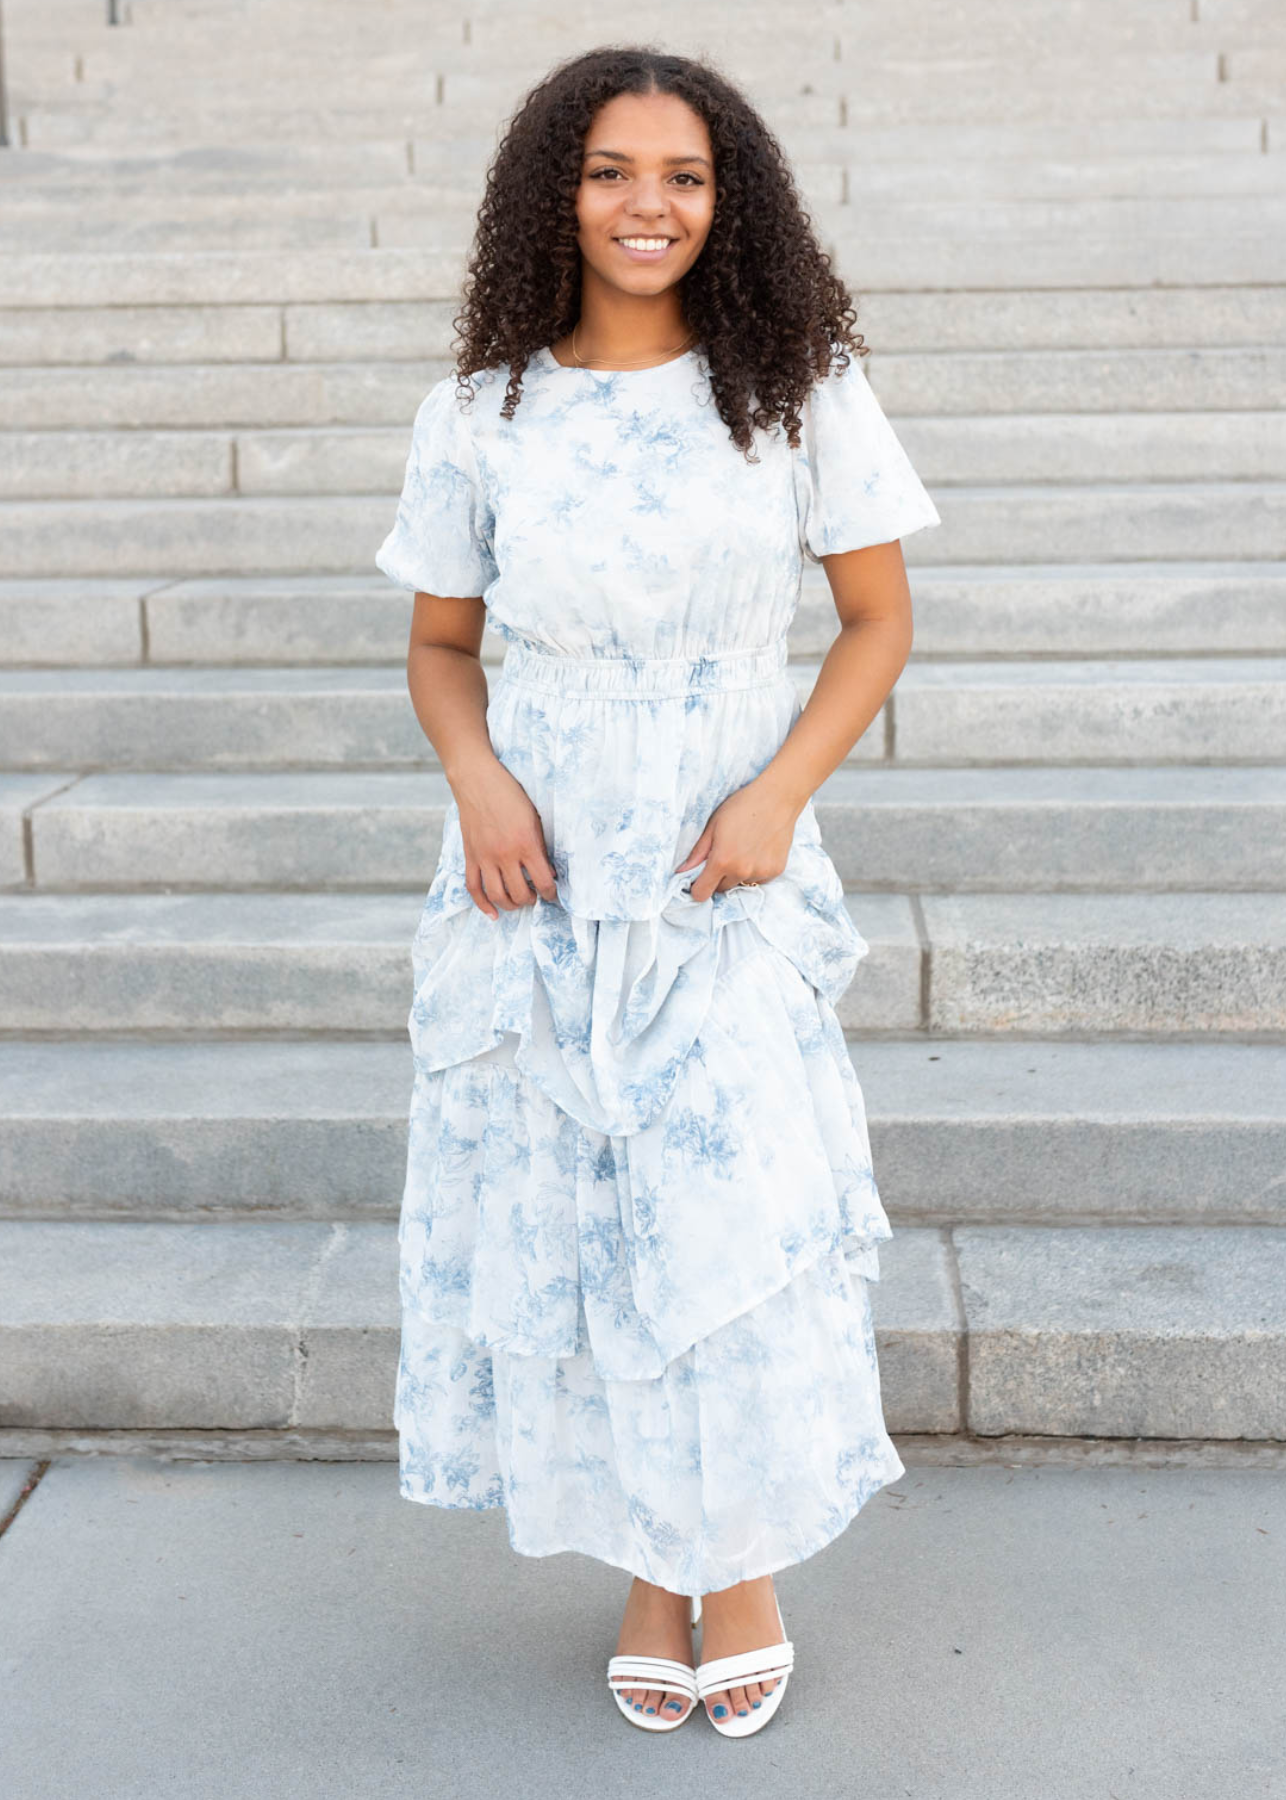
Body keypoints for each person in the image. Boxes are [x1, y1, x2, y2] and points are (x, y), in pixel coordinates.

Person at [375, 44, 941, 1741]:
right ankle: (644, 1561)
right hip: (531, 875)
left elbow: (877, 621)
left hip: (721, 864)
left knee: (733, 1214)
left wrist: (776, 793)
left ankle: (740, 1560)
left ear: (728, 199)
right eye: (613, 170)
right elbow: (437, 647)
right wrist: (475, 779)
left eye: (682, 176)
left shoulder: (793, 386)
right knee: (573, 1222)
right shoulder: (480, 410)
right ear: (558, 189)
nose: (647, 204)